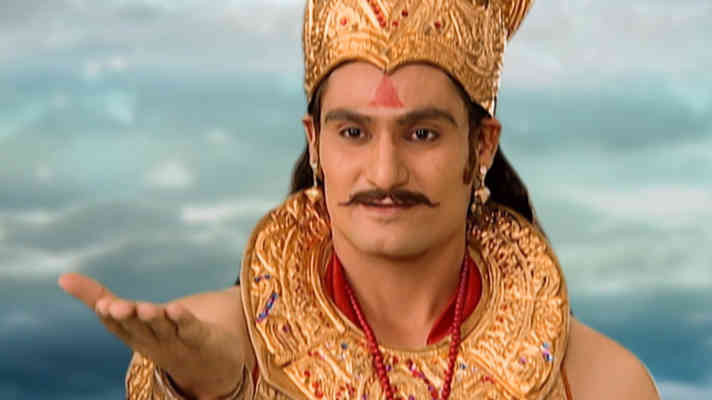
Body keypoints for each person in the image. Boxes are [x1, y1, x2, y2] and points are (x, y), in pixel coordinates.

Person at [58, 0, 661, 399]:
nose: (385, 171)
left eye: (422, 134)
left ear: (481, 145)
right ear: (314, 143)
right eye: (353, 132)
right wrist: (220, 392)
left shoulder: (601, 383)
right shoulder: (210, 344)